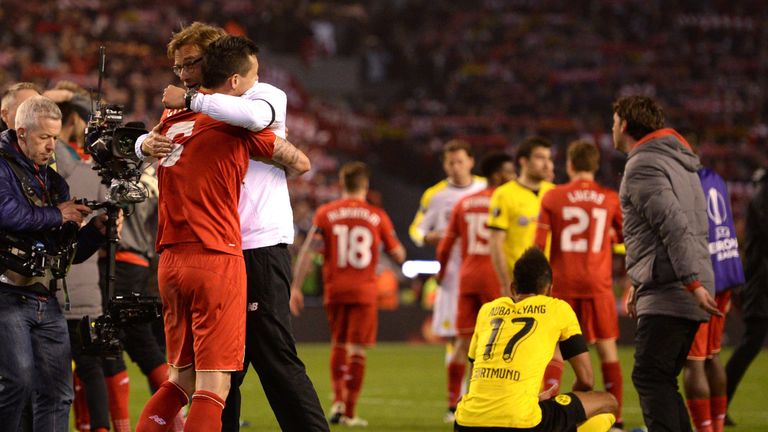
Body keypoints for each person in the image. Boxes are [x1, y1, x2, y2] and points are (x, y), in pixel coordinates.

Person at [151, 22, 327, 432]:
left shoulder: (258, 93)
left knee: (273, 357)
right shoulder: (190, 107)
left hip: (256, 245)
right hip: (212, 249)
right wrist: (146, 143)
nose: (183, 73)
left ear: (218, 62)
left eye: (191, 63)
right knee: (220, 370)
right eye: (178, 67)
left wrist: (193, 99)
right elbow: (156, 141)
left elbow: (263, 128)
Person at [612, 95, 720, 432]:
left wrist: (692, 282)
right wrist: (639, 285)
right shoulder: (679, 162)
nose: (611, 130)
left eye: (613, 123)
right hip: (671, 284)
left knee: (649, 376)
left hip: (673, 288)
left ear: (625, 125)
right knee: (662, 379)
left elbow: (673, 225)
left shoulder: (643, 164)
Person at [0, 95, 107, 431]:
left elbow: (68, 251)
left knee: (58, 394)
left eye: (55, 138)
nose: (51, 147)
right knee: (16, 384)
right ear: (21, 133)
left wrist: (96, 233)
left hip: (48, 298)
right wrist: (57, 213)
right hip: (7, 293)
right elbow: (7, 213)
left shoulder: (53, 180)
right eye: (43, 138)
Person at [454, 247, 618, 432]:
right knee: (607, 402)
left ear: (513, 287)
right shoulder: (557, 309)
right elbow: (586, 379)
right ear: (549, 288)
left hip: (466, 423)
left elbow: (474, 375)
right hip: (520, 422)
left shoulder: (488, 311)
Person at [292, 161, 406, 427]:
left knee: (339, 344)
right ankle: (350, 413)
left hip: (335, 289)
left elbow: (308, 251)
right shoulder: (377, 215)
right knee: (357, 350)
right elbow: (399, 253)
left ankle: (338, 401)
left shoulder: (325, 213)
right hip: (364, 290)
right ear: (365, 185)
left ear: (342, 185)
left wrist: (295, 287)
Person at [534, 139, 625, 428]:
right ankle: (617, 419)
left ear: (570, 165)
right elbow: (628, 239)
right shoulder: (610, 198)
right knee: (608, 350)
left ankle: (548, 414)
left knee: (555, 351)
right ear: (595, 166)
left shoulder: (552, 198)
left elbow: (538, 247)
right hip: (598, 285)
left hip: (563, 287)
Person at [408, 139, 485, 421]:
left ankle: (478, 397)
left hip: (485, 275)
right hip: (452, 279)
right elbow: (416, 229)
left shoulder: (486, 189)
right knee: (456, 338)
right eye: (450, 162)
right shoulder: (435, 195)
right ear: (444, 164)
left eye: (460, 161)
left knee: (485, 339)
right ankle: (455, 402)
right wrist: (431, 236)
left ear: (471, 162)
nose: (455, 167)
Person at [435, 152, 515, 416]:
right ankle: (490, 400)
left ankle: (451, 405)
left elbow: (446, 245)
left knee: (462, 341)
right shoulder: (507, 202)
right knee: (497, 343)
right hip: (495, 278)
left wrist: (442, 272)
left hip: (467, 277)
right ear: (497, 175)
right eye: (508, 172)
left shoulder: (464, 202)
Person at [487, 136, 557, 392]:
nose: (546, 163)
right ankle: (514, 399)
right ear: (523, 161)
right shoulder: (504, 195)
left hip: (549, 285)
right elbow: (495, 243)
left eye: (549, 159)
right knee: (516, 348)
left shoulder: (553, 193)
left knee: (550, 346)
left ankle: (544, 400)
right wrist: (506, 282)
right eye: (540, 157)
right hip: (519, 287)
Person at [682, 163, 745, 432]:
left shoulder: (685, 180)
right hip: (725, 268)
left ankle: (705, 429)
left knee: (694, 362)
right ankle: (717, 426)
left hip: (703, 276)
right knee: (713, 356)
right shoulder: (716, 178)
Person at [725, 167, 768, 425]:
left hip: (759, 281)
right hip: (762, 284)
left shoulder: (761, 195)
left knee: (749, 345)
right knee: (750, 345)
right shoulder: (763, 197)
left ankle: (720, 404)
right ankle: (719, 404)